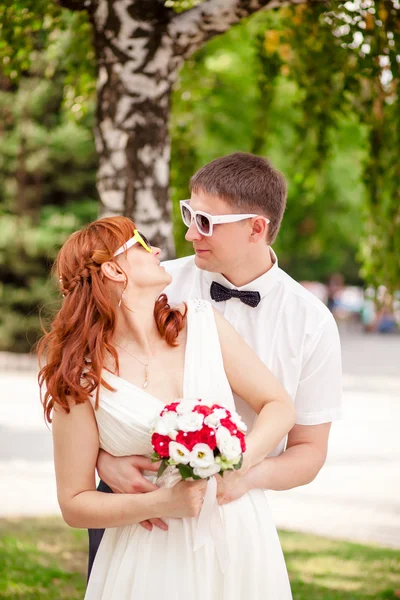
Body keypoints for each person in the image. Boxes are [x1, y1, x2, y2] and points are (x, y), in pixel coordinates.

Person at [93, 152, 343, 574]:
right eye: (189, 214)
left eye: (206, 222)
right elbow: (90, 389)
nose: (190, 233)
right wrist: (103, 462)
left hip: (233, 515)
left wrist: (244, 477)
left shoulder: (311, 322)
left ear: (256, 228)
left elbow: (310, 451)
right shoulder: (155, 285)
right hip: (133, 504)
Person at [38, 216, 296, 598]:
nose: (157, 250)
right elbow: (74, 503)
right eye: (142, 244)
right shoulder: (81, 378)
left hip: (239, 532)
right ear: (113, 268)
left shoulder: (202, 324)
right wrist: (161, 502)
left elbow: (278, 405)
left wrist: (238, 465)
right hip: (149, 554)